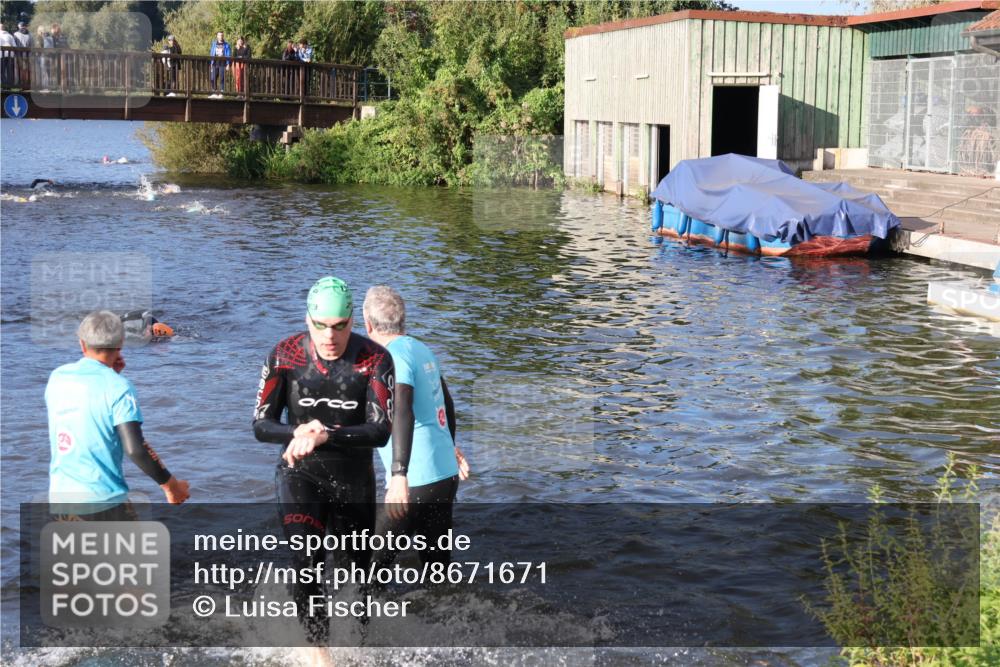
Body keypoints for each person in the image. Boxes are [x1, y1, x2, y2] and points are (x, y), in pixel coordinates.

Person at [252, 276, 394, 647]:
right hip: (300, 474)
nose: (329, 337)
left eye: (339, 327)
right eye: (320, 326)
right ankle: (319, 654)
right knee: (305, 560)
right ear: (307, 319)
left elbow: (380, 430)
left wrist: (326, 434)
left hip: (353, 480)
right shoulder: (285, 355)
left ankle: (360, 648)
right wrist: (298, 434)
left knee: (357, 577)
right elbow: (261, 425)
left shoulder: (375, 359)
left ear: (352, 321)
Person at [362, 286, 470, 568]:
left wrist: (399, 474)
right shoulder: (421, 349)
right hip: (445, 476)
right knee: (437, 573)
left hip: (414, 481)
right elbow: (446, 403)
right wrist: (452, 447)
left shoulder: (391, 358)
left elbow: (402, 412)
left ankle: (350, 612)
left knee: (367, 570)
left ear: (367, 323)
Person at [46, 311, 190, 520]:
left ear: (82, 344)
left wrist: (110, 374)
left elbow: (86, 414)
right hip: (104, 503)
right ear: (121, 343)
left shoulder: (57, 377)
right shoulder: (119, 388)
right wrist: (171, 486)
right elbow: (135, 448)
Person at [208, 31, 229, 97]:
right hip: (215, 62)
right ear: (217, 36)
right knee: (212, 78)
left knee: (222, 78)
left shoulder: (226, 45)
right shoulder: (214, 44)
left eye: (222, 35)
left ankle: (221, 92)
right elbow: (211, 53)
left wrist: (228, 64)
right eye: (219, 35)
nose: (221, 37)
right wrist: (211, 63)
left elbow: (228, 54)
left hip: (222, 63)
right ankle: (214, 91)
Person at [0, 23, 16, 88]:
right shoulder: (10, 35)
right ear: (4, 28)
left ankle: (3, 85)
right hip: (10, 55)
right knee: (10, 71)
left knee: (2, 71)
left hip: (1, 56)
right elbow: (15, 46)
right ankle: (10, 86)